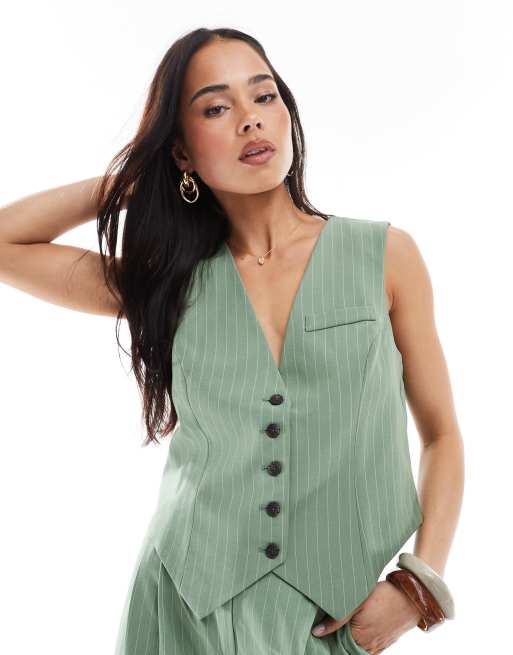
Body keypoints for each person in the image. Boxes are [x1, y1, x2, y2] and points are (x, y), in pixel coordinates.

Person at [0, 27, 463, 655]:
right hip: (182, 608)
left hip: (334, 619)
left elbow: (441, 434)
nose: (250, 120)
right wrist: (134, 176)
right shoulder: (165, 281)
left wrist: (418, 587)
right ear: (182, 151)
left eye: (264, 96)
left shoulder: (384, 255)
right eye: (216, 108)